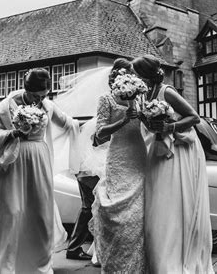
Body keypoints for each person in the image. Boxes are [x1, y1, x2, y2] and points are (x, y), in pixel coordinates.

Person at [0, 68, 79, 273]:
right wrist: (13, 132)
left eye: (43, 96)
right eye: (35, 95)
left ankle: (38, 264)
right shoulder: (6, 106)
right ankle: (6, 264)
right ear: (26, 89)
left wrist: (88, 128)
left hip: (39, 161)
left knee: (40, 211)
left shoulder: (48, 105)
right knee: (11, 210)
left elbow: (68, 123)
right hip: (13, 162)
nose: (38, 100)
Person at [132, 55, 213, 273]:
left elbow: (194, 118)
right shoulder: (144, 94)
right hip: (159, 148)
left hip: (180, 150)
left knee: (172, 200)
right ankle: (160, 257)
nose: (135, 78)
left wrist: (169, 127)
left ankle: (176, 259)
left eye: (137, 74)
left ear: (145, 74)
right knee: (157, 200)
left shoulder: (166, 91)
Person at [89, 58, 147, 272]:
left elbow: (146, 123)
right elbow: (100, 133)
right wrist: (123, 121)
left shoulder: (139, 96)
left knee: (140, 207)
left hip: (139, 153)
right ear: (114, 78)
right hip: (118, 155)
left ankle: (139, 259)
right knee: (118, 209)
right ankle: (116, 258)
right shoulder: (106, 99)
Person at [65, 171, 98, 260]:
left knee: (88, 206)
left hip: (85, 171)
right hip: (90, 172)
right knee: (89, 207)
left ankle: (73, 247)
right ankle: (73, 248)